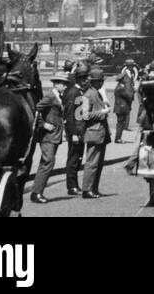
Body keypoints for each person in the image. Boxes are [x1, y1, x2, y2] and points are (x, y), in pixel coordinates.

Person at [28, 75, 68, 203]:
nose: (65, 86)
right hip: (47, 136)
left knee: (47, 163)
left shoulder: (58, 96)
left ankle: (37, 192)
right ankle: (36, 193)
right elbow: (35, 109)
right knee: (48, 162)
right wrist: (43, 124)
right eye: (63, 83)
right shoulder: (50, 97)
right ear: (56, 84)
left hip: (54, 135)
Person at [79, 67, 112, 198]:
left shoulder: (96, 93)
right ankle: (87, 189)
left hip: (100, 133)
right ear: (95, 81)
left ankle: (93, 188)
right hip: (94, 132)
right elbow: (84, 115)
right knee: (92, 163)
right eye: (100, 80)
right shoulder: (88, 95)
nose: (102, 83)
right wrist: (102, 112)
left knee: (98, 163)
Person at [61, 64, 87, 196]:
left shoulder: (79, 91)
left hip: (80, 130)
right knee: (73, 159)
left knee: (77, 158)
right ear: (79, 79)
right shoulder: (74, 92)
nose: (86, 81)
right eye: (84, 78)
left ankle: (74, 185)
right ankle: (72, 186)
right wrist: (74, 134)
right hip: (75, 131)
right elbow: (70, 114)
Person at [113, 60, 136, 143]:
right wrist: (131, 95)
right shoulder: (120, 87)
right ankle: (118, 139)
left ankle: (119, 138)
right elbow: (127, 94)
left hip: (124, 105)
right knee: (120, 122)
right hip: (121, 106)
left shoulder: (129, 75)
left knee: (122, 122)